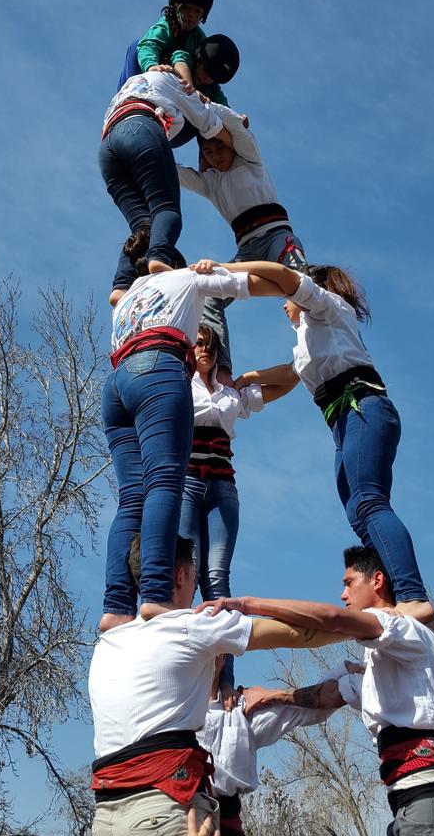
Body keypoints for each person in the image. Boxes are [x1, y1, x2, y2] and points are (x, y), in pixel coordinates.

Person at [199, 545, 434, 836]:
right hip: (410, 804)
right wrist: (273, 696)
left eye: (348, 583)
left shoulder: (402, 630)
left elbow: (329, 619)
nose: (343, 595)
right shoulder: (384, 665)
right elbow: (329, 695)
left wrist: (246, 604)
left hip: (431, 795)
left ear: (377, 581)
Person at [89, 539, 339, 836]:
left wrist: (275, 694)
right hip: (166, 812)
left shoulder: (108, 641)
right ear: (183, 575)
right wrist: (363, 627)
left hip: (109, 824)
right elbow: (296, 633)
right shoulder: (189, 627)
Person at [199, 256, 431, 618]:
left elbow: (282, 275)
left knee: (369, 501)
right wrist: (246, 378)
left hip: (361, 407)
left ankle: (413, 596)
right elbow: (291, 375)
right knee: (358, 512)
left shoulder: (325, 306)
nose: (283, 304)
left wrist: (227, 271)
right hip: (343, 421)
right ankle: (393, 598)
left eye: (285, 299)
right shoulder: (308, 337)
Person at [101, 238, 288, 624]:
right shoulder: (184, 278)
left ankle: (116, 607)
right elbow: (258, 284)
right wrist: (294, 286)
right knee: (164, 482)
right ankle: (156, 594)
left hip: (116, 384)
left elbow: (117, 288)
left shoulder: (128, 297)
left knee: (131, 498)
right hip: (157, 370)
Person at [180, 325, 296, 701]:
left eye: (210, 345)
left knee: (218, 579)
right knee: (188, 572)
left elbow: (288, 381)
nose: (204, 350)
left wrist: (246, 378)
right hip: (186, 484)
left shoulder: (231, 395)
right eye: (198, 344)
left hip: (222, 488)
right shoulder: (178, 386)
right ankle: (184, 673)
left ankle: (225, 679)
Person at [198, 655, 343, 836]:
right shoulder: (172, 709)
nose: (210, 653)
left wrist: (274, 695)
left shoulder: (241, 711)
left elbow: (325, 701)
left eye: (219, 646)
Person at [177, 112, 306, 374]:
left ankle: (317, 343)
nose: (216, 156)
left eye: (220, 147)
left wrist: (208, 106)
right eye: (209, 152)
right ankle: (220, 371)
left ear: (230, 144)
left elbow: (235, 127)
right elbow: (174, 172)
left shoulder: (249, 158)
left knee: (303, 284)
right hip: (247, 250)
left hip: (276, 236)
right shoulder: (211, 182)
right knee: (209, 295)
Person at [99, 68, 234, 298]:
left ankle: (121, 285)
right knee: (166, 209)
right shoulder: (176, 81)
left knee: (143, 225)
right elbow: (209, 121)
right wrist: (237, 138)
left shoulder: (135, 82)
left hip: (108, 148)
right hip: (141, 127)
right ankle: (159, 260)